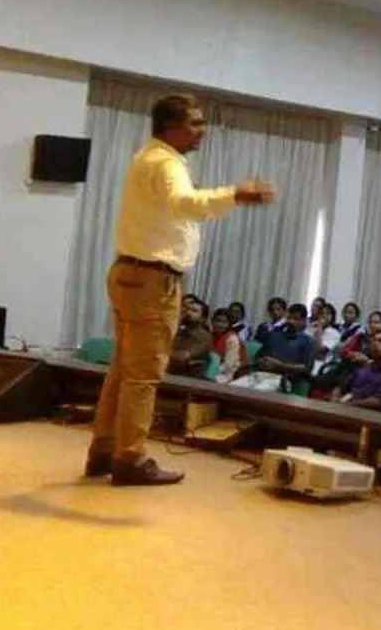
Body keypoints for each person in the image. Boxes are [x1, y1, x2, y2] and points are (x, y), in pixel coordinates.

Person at [85, 94, 275, 486]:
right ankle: (130, 459)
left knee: (123, 371)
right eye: (195, 123)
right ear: (170, 126)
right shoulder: (166, 163)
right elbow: (184, 203)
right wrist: (236, 194)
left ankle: (103, 451)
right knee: (142, 377)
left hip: (130, 274)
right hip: (153, 281)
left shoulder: (149, 157)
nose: (202, 130)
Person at [232, 303, 315, 392]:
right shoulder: (275, 334)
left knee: (256, 392)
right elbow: (259, 356)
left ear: (304, 321)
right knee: (231, 388)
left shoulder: (307, 341)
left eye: (295, 319)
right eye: (289, 318)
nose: (290, 321)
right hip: (259, 373)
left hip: (281, 379)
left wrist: (280, 365)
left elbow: (306, 368)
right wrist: (262, 361)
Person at [339, 330, 381, 411]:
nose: (375, 344)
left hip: (368, 414)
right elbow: (352, 389)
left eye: (380, 341)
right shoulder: (366, 367)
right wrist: (339, 397)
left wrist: (350, 404)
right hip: (349, 406)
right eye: (373, 341)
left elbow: (378, 402)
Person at [168, 298, 213, 379]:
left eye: (194, 311)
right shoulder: (179, 331)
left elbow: (183, 357)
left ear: (202, 318)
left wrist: (166, 353)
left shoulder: (204, 337)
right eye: (187, 309)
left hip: (190, 379)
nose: (188, 312)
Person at [209, 308, 245, 384]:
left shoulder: (232, 339)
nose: (220, 325)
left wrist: (211, 370)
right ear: (212, 321)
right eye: (218, 320)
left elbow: (228, 365)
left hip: (227, 375)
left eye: (224, 322)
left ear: (229, 324)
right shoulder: (209, 336)